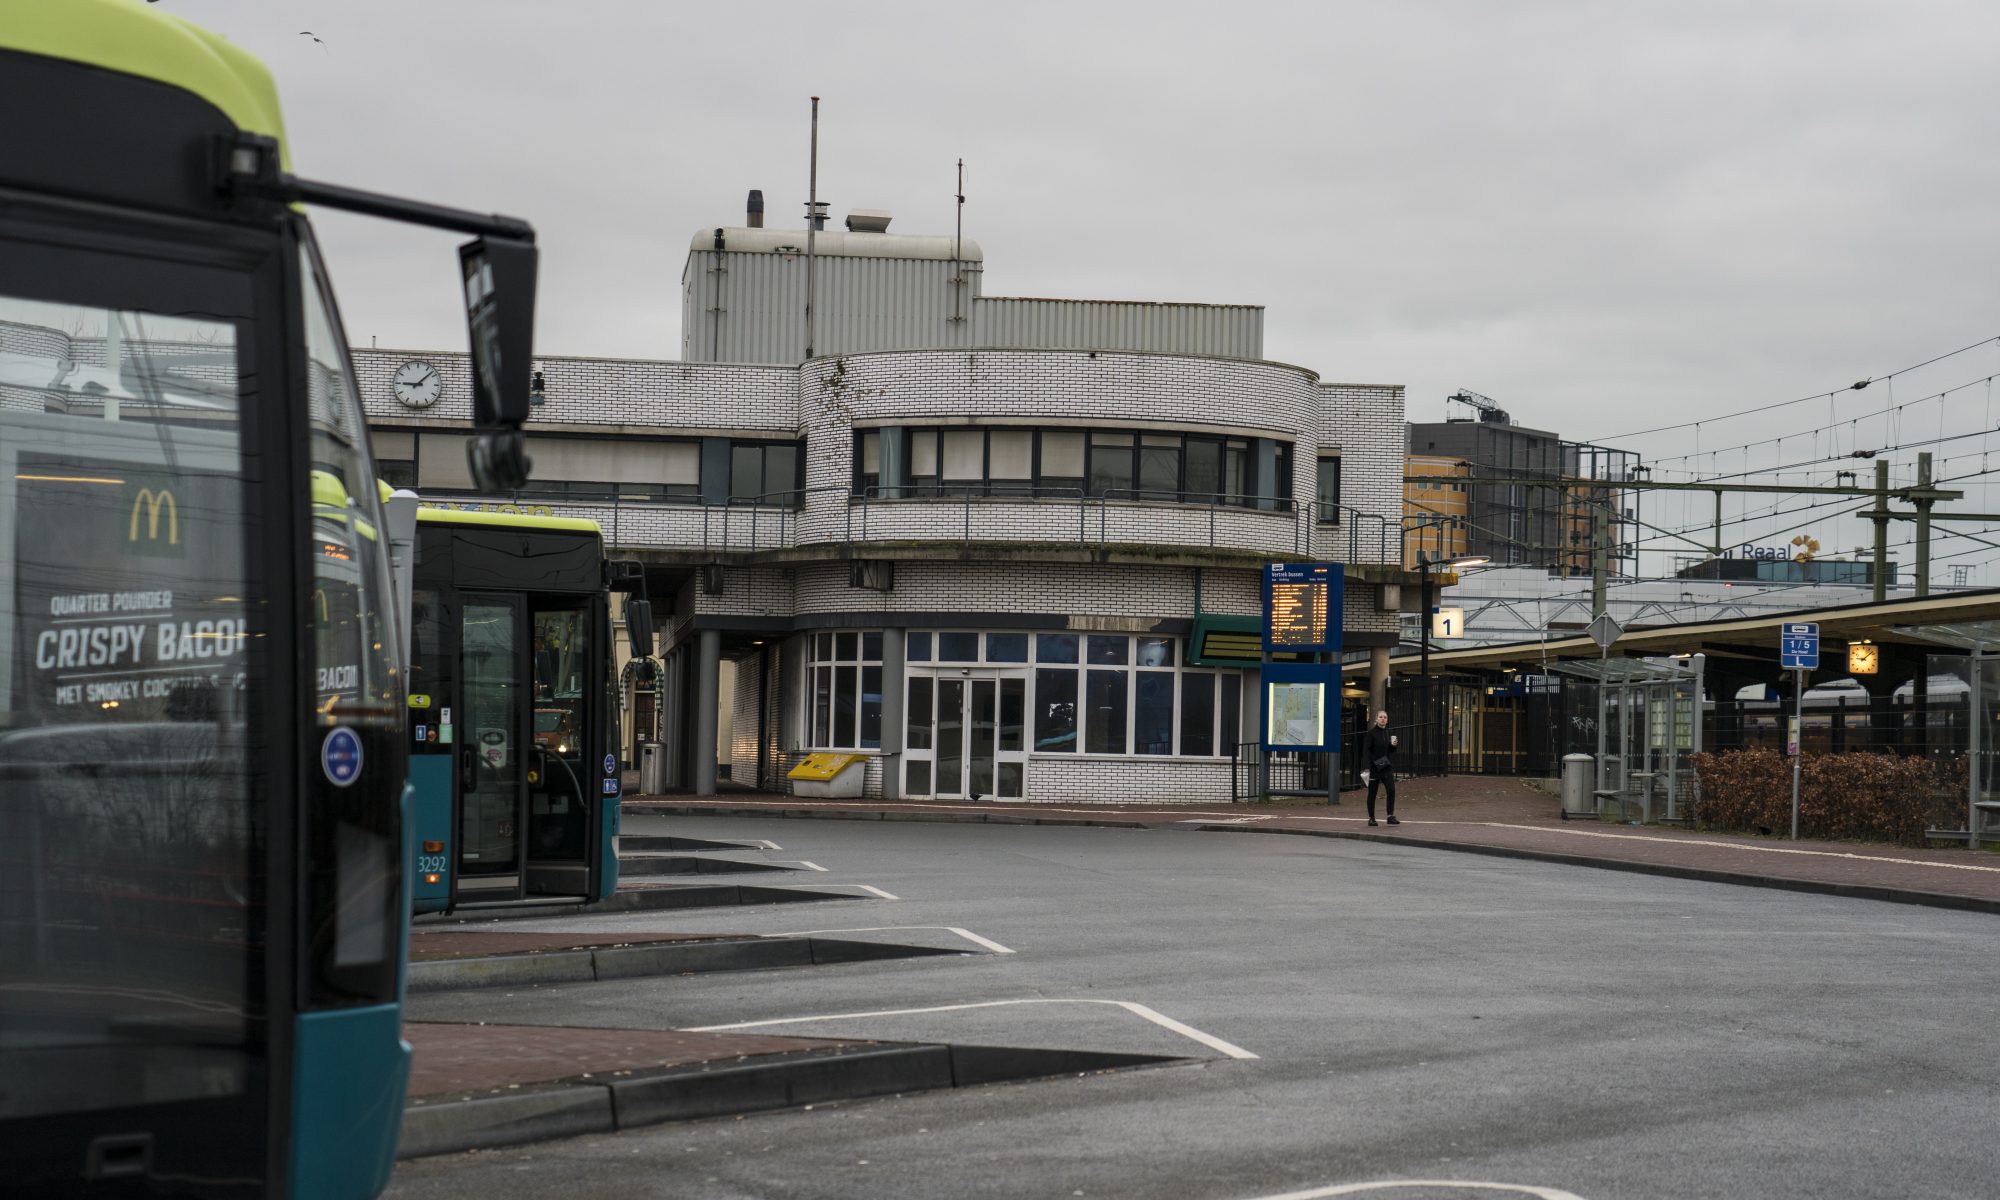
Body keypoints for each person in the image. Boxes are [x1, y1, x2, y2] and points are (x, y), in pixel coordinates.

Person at [1363, 709, 1399, 827]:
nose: (1383, 719)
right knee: (1372, 793)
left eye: (1385, 717)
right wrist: (1367, 767)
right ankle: (1371, 818)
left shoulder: (1388, 732)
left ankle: (1390, 816)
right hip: (1374, 767)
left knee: (1391, 790)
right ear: (1376, 719)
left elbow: (1389, 750)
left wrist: (1393, 746)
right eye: (1381, 717)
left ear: (1387, 720)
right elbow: (1367, 751)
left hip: (1386, 765)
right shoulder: (1371, 733)